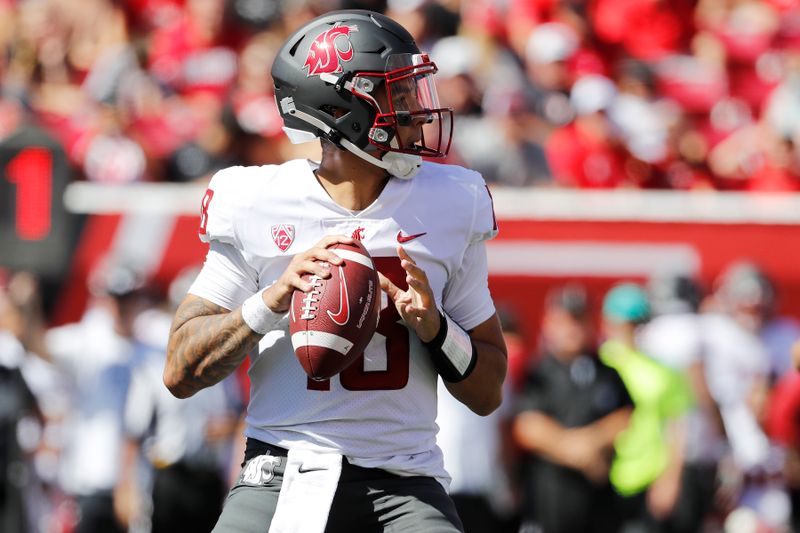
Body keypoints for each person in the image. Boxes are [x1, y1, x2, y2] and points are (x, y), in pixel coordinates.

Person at [163, 9, 507, 533]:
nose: (418, 111)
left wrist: (438, 331)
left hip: (405, 482)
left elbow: (487, 392)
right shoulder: (257, 200)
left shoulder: (452, 201)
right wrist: (271, 302)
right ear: (344, 108)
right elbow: (179, 372)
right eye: (399, 94)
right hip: (280, 470)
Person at [512, 284, 633, 533]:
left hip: (599, 504)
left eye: (579, 320)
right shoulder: (538, 372)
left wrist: (591, 442)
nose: (572, 329)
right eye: (565, 321)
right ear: (549, 323)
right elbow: (526, 426)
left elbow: (625, 416)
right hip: (549, 500)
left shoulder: (608, 373)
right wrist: (575, 451)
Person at [598, 283, 694, 531]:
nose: (632, 331)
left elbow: (678, 427)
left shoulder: (664, 371)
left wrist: (670, 479)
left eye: (637, 324)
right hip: (603, 475)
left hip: (648, 476)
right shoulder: (599, 365)